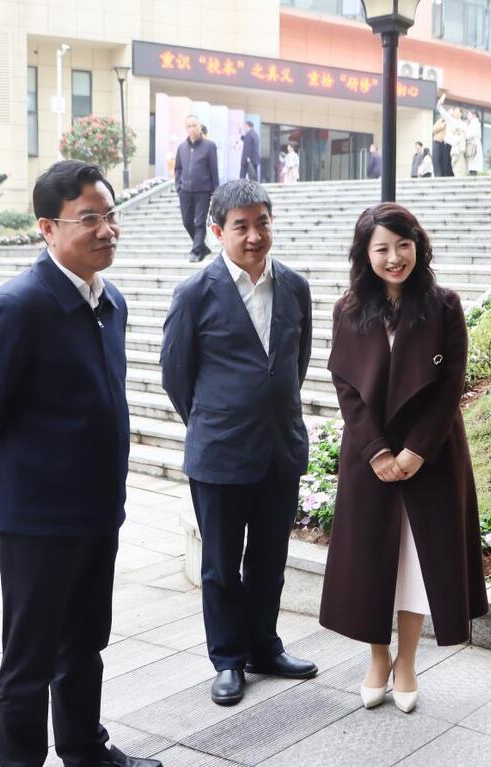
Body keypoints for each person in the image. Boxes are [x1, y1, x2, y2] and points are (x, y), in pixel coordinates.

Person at [0, 161, 160, 767]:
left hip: (98, 512)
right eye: (89, 218)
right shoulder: (18, 306)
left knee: (86, 642)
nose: (107, 229)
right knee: (29, 660)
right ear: (47, 227)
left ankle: (84, 748)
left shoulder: (110, 301)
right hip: (37, 523)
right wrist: (16, 491)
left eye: (110, 215)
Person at [319, 203, 488, 714]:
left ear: (418, 246)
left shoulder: (443, 305)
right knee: (374, 560)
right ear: (365, 254)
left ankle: (408, 661)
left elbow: (451, 385)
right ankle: (378, 658)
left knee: (416, 562)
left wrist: (416, 449)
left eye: (403, 245)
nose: (394, 258)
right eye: (382, 249)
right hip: (368, 455)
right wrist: (376, 451)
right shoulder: (348, 309)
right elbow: (346, 386)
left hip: (431, 455)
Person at [160, 179, 317, 707]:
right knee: (221, 567)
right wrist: (215, 421)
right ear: (217, 231)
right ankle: (228, 659)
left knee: (270, 561)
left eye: (262, 223)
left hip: (280, 449)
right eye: (241, 226)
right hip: (220, 454)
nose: (254, 236)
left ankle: (264, 647)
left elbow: (295, 364)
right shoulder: (194, 293)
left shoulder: (294, 286)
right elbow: (176, 376)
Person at [174, 115, 219, 262]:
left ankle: (196, 251)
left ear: (200, 127)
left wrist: (216, 191)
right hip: (185, 190)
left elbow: (214, 170)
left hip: (203, 190)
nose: (192, 129)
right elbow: (178, 168)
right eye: (189, 126)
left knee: (199, 222)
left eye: (194, 125)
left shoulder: (209, 146)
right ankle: (202, 246)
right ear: (186, 129)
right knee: (187, 222)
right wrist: (178, 186)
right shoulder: (182, 148)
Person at [437, 95, 467, 177]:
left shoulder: (463, 124)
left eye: (458, 112)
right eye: (455, 112)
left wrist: (459, 131)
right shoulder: (450, 119)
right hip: (448, 145)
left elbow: (465, 135)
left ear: (461, 114)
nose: (456, 113)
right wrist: (441, 101)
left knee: (457, 167)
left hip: (458, 147)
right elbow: (439, 108)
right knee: (446, 165)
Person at [465, 111, 484, 176]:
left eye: (469, 114)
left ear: (474, 115)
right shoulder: (473, 122)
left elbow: (471, 134)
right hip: (473, 145)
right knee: (473, 166)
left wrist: (465, 136)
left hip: (473, 146)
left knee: (473, 166)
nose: (468, 116)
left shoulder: (474, 122)